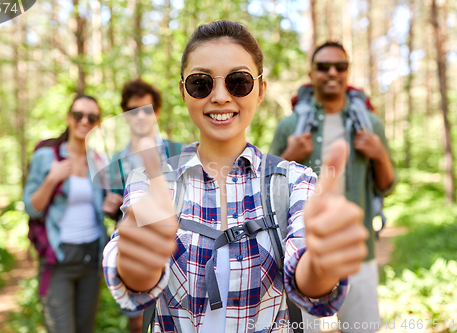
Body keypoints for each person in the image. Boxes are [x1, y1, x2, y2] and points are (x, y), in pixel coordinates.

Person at [103, 21, 369, 332]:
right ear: (183, 92)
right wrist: (138, 261)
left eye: (238, 82)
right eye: (201, 83)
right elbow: (135, 280)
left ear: (260, 91)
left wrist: (323, 263)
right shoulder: (152, 183)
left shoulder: (294, 183)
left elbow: (309, 281)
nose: (219, 96)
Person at [269, 41, 396, 333]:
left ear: (348, 72)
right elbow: (267, 189)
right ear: (311, 73)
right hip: (304, 254)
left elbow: (387, 186)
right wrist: (288, 156)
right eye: (323, 66)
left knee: (362, 329)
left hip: (358, 251)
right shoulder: (290, 127)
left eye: (340, 66)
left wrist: (379, 154)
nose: (332, 72)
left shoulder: (369, 125)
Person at [23, 95, 122, 333]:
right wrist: (52, 179)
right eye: (78, 115)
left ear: (98, 123)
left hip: (92, 257)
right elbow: (31, 207)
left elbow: (107, 208)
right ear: (68, 118)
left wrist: (112, 205)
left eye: (92, 117)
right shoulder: (47, 157)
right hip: (58, 258)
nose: (84, 121)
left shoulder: (99, 161)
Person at [105, 80, 185, 332]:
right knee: (137, 319)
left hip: (180, 250)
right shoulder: (116, 160)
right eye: (133, 110)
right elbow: (112, 207)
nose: (140, 115)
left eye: (146, 109)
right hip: (136, 252)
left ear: (157, 112)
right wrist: (110, 207)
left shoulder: (179, 151)